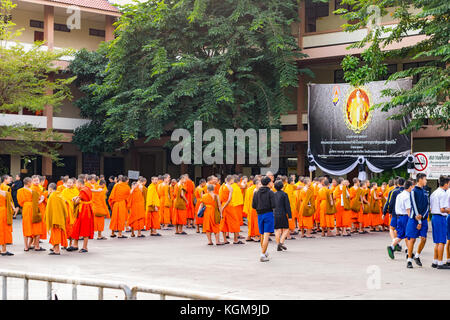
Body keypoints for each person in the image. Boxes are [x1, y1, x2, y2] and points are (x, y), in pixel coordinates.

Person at [405, 173, 429, 268]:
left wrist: (422, 217)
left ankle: (417, 255)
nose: (426, 181)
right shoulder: (413, 191)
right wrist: (418, 220)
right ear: (420, 180)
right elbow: (414, 205)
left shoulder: (426, 191)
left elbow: (427, 206)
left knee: (423, 239)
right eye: (425, 179)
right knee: (412, 239)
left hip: (422, 218)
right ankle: (409, 260)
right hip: (414, 218)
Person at [387, 179, 413, 260]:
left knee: (401, 235)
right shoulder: (407, 196)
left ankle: (392, 246)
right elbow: (408, 209)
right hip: (405, 216)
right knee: (409, 235)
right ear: (410, 187)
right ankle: (409, 252)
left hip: (399, 216)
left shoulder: (399, 195)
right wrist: (411, 219)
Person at [252, 176, 276, 262]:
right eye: (271, 182)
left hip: (259, 215)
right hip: (268, 214)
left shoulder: (256, 192)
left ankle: (264, 251)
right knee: (266, 235)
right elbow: (274, 205)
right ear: (269, 183)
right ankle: (262, 255)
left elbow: (253, 206)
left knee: (262, 234)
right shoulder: (270, 192)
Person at [70, 179, 94, 253]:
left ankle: (85, 247)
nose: (75, 186)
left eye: (76, 184)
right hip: (87, 210)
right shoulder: (87, 188)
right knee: (77, 226)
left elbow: (77, 201)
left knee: (84, 228)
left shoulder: (83, 190)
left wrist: (74, 200)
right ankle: (75, 245)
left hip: (84, 211)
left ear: (80, 184)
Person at [430, 176, 449, 269]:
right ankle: (440, 263)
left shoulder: (434, 193)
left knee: (437, 241)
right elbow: (442, 209)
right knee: (442, 241)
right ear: (445, 184)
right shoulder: (443, 194)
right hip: (440, 217)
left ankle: (435, 261)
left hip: (434, 216)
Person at [383, 178, 405, 252]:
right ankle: (397, 244)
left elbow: (389, 202)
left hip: (395, 213)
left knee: (392, 228)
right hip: (405, 213)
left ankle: (394, 242)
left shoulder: (393, 192)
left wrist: (386, 212)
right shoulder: (407, 191)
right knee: (398, 230)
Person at [45, 183, 68, 255]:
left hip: (55, 219)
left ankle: (57, 250)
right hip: (60, 218)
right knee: (55, 234)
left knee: (56, 234)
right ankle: (55, 248)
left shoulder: (52, 196)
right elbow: (64, 207)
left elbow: (50, 209)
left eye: (48, 189)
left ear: (50, 189)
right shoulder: (60, 195)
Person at [219, 176, 240, 244]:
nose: (233, 181)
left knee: (224, 222)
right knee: (235, 221)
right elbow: (229, 200)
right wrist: (224, 206)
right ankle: (235, 239)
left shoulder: (222, 186)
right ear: (230, 180)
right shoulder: (230, 188)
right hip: (229, 206)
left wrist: (221, 207)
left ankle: (225, 239)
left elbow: (220, 198)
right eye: (233, 180)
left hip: (223, 205)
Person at [273, 180, 291, 251]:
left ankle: (278, 244)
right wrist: (289, 216)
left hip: (275, 213)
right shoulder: (284, 194)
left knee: (277, 230)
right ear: (282, 186)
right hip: (282, 213)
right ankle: (281, 242)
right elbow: (287, 206)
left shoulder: (273, 194)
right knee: (286, 228)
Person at [0, 175, 14, 256]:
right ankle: (4, 250)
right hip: (3, 211)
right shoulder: (5, 192)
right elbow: (9, 201)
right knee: (3, 230)